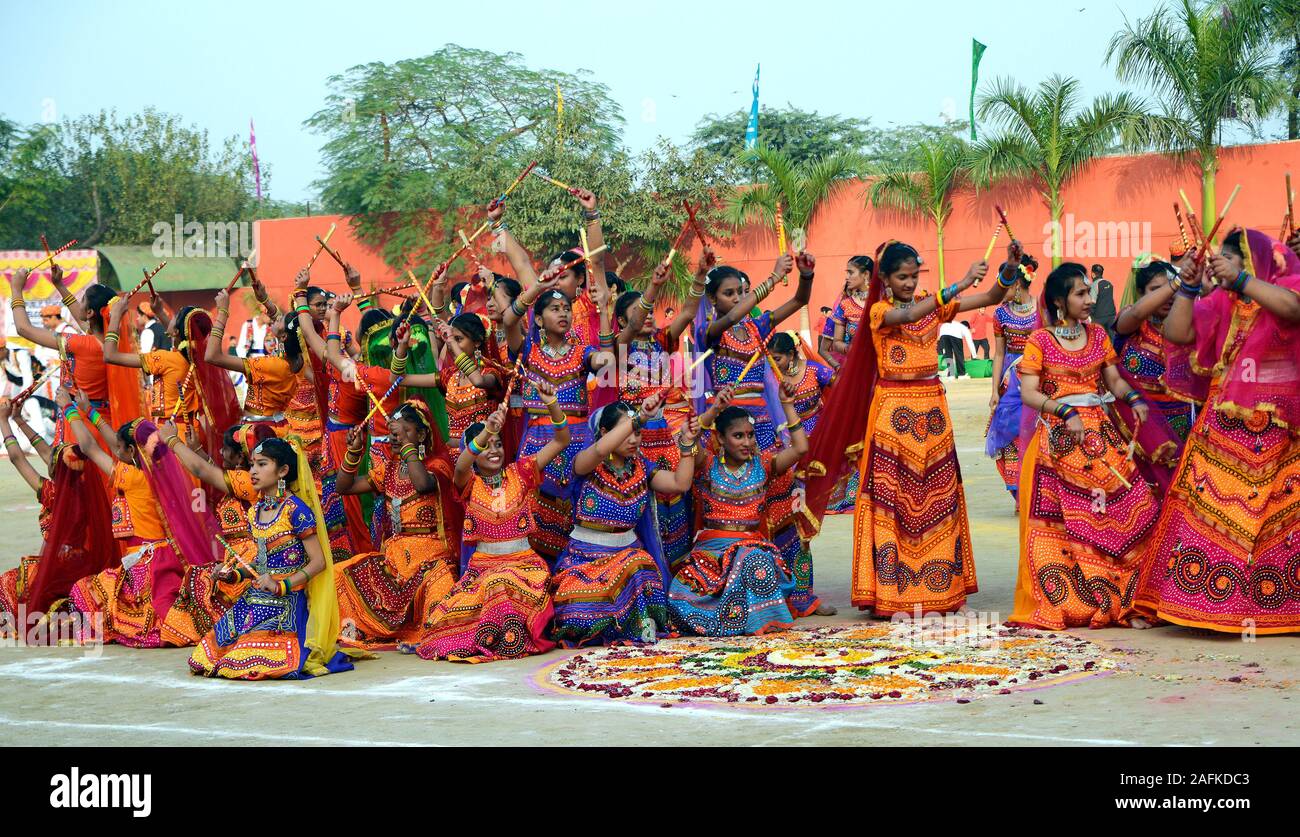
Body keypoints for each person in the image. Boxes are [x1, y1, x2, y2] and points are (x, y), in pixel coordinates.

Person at [803, 240, 1011, 617]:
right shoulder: (879, 312)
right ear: (884, 278)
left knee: (938, 498)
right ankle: (891, 595)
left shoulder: (933, 303)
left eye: (914, 276)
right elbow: (910, 314)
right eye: (902, 277)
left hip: (932, 413)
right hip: (892, 415)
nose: (910, 283)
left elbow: (992, 295)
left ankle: (940, 590)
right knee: (893, 502)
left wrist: (1009, 269)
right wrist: (957, 284)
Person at [1137, 229, 1300, 634]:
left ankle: (1280, 609)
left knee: (1281, 522)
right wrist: (1189, 287)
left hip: (1282, 428)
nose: (1221, 263)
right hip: (1224, 430)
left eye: (1233, 257)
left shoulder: (1284, 289)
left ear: (1256, 261)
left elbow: (1294, 310)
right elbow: (1178, 334)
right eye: (1221, 257)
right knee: (1213, 518)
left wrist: (1244, 280)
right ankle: (1206, 605)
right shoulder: (1223, 302)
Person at [1007, 262, 1160, 630]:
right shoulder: (1040, 341)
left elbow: (1112, 380)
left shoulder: (1097, 337)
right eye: (1080, 293)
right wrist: (1064, 410)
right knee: (1066, 526)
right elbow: (1028, 393)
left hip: (1101, 439)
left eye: (1089, 291)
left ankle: (1122, 600)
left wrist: (1135, 399)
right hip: (1061, 442)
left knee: (1132, 511)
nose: (1089, 299)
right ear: (1060, 300)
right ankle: (1078, 601)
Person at [406, 386, 569, 662]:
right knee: (445, 620)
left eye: (498, 444)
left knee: (500, 584)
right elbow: (461, 465)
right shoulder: (468, 483)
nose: (493, 450)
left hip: (524, 568)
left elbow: (561, 440)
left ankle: (508, 638)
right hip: (481, 569)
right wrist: (487, 429)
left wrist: (551, 402)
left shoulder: (522, 473)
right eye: (486, 446)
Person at [62, 400, 230, 647]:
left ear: (132, 452)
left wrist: (69, 409)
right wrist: (91, 412)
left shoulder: (131, 477)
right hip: (168, 556)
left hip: (146, 564)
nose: (115, 452)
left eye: (120, 449)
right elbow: (115, 444)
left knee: (83, 593)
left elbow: (89, 446)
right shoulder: (161, 473)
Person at [551, 396, 697, 646]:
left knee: (639, 565)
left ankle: (634, 624)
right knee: (577, 613)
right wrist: (638, 418)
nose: (633, 439)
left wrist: (686, 445)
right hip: (585, 561)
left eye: (638, 432)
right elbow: (599, 450)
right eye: (626, 431)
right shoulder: (586, 462)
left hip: (629, 560)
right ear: (605, 432)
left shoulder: (641, 467)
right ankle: (625, 623)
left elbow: (679, 483)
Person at [667, 382, 808, 636]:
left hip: (752, 548)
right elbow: (686, 441)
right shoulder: (707, 464)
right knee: (680, 595)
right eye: (738, 436)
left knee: (752, 562)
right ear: (720, 438)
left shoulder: (764, 464)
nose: (747, 442)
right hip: (711, 554)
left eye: (750, 435)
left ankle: (744, 620)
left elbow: (800, 448)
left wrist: (787, 404)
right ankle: (737, 619)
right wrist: (714, 411)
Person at [501, 262, 616, 564]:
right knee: (536, 511)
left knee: (579, 507)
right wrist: (537, 287)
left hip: (579, 440)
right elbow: (509, 320)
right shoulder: (528, 351)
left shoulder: (582, 351)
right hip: (540, 440)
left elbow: (606, 361)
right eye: (554, 309)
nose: (563, 313)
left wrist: (603, 312)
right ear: (538, 319)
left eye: (566, 308)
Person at [333, 401, 459, 649]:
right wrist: (354, 452)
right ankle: (364, 628)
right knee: (340, 574)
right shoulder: (389, 469)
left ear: (422, 434)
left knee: (441, 587)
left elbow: (423, 484)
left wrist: (410, 449)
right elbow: (343, 487)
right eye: (394, 434)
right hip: (394, 561)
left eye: (405, 432)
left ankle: (426, 633)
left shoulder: (438, 465)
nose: (396, 438)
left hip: (432, 559)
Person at [613, 257, 705, 570]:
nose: (648, 317)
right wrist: (652, 287)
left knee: (677, 508)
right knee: (645, 514)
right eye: (640, 313)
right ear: (623, 322)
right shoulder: (618, 349)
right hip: (635, 443)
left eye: (651, 311)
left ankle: (676, 582)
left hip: (665, 439)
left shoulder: (662, 343)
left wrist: (701, 273)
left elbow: (689, 311)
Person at [694, 251, 814, 456]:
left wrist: (806, 276)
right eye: (729, 293)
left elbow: (799, 300)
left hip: (760, 421)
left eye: (740, 292)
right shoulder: (709, 331)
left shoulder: (756, 327)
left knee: (766, 479)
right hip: (726, 421)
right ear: (713, 298)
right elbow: (732, 317)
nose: (737, 298)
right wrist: (774, 277)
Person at [1111, 254, 1199, 493]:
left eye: (1170, 287)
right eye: (1155, 289)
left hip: (1181, 421)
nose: (1167, 295)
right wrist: (1176, 284)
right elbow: (1138, 313)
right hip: (1137, 421)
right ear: (1141, 293)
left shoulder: (1188, 325)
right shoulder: (1131, 322)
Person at [768, 330, 836, 615]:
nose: (776, 363)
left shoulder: (814, 372)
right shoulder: (770, 377)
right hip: (783, 452)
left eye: (779, 357)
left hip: (813, 452)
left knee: (803, 526)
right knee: (781, 522)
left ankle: (804, 596)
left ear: (793, 354)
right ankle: (777, 592)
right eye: (772, 358)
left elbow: (843, 387)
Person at [985, 258, 1040, 504]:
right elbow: (998, 354)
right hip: (1011, 381)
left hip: (1038, 378)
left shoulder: (1043, 309)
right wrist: (994, 390)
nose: (999, 291)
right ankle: (1019, 492)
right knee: (1011, 434)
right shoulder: (1000, 314)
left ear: (1017, 284)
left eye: (1004, 285)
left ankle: (1038, 490)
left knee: (1038, 432)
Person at [1089, 263, 1118, 337]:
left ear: (1093, 274)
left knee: (1097, 339)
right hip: (1111, 316)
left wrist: (1090, 317)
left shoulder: (1094, 285)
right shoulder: (1109, 284)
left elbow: (1092, 303)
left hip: (1099, 318)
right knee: (1112, 339)